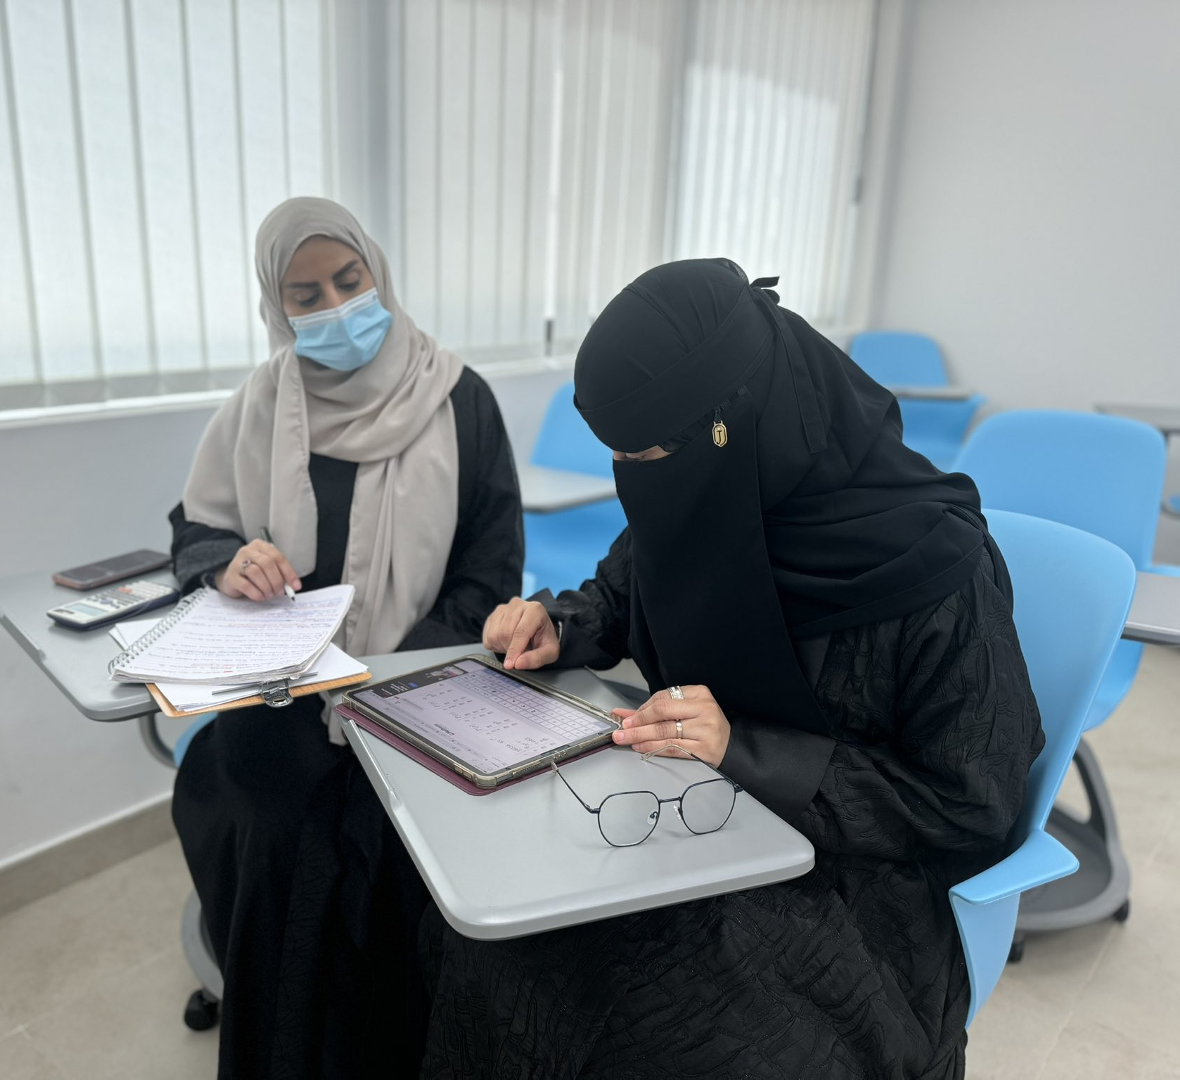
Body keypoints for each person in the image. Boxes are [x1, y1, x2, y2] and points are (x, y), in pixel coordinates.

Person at [423, 259, 1044, 1078]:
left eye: (644, 456)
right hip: (698, 822)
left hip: (857, 897)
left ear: (731, 422)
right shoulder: (703, 489)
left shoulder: (934, 567)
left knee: (652, 1027)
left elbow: (973, 804)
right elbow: (622, 587)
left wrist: (745, 750)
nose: (632, 484)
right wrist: (559, 626)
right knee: (503, 945)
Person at [169, 197, 523, 1078]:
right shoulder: (257, 404)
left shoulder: (460, 400)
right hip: (280, 693)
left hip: (416, 688)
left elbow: (491, 572)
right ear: (274, 304)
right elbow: (195, 529)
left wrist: (387, 679)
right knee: (268, 823)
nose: (333, 306)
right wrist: (229, 564)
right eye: (306, 293)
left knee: (378, 847)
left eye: (348, 280)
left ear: (379, 273)